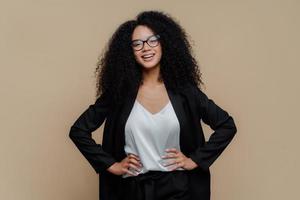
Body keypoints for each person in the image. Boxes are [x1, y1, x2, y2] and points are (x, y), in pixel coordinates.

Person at [69, 10, 237, 200]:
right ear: (129, 52)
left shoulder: (186, 92)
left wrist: (194, 160)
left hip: (178, 190)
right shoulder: (119, 94)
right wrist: (112, 165)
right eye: (137, 44)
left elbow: (226, 125)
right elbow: (79, 130)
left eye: (152, 40)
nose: (146, 48)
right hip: (132, 191)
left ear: (164, 43)